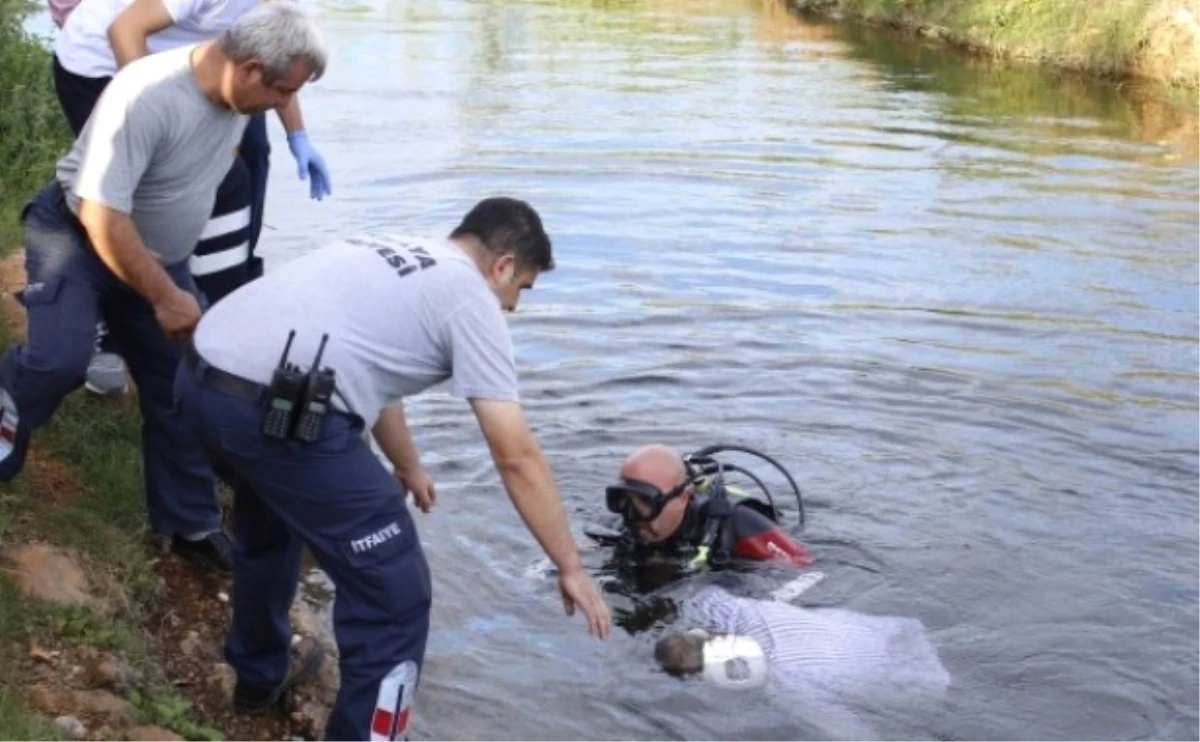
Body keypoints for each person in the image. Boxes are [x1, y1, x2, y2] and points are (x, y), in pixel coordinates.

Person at [173, 196, 614, 739]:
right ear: (502, 266)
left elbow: (372, 371)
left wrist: (408, 465)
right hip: (270, 409)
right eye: (521, 288)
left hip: (199, 381)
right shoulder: (470, 299)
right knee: (397, 596)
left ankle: (257, 676)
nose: (515, 307)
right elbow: (516, 455)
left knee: (270, 520)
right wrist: (568, 564)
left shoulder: (392, 248)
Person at [0, 2, 328, 576]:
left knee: (183, 385)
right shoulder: (146, 95)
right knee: (60, 361)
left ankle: (189, 521)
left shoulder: (237, 94)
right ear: (249, 70)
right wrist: (164, 296)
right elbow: (101, 214)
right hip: (77, 239)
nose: (283, 107)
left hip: (156, 255)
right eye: (281, 93)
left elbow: (203, 179)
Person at [51, 0, 332, 394]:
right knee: (130, 195)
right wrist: (154, 112)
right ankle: (107, 329)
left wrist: (297, 135)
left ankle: (219, 309)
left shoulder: (263, 45)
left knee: (242, 169)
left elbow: (283, 65)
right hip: (103, 61)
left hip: (203, 65)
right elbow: (124, 30)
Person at [655, 585, 951, 741]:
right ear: (716, 633)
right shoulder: (748, 611)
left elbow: (856, 736)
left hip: (926, 679)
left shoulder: (786, 686)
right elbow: (702, 593)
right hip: (899, 630)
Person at [604, 443, 813, 571]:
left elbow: (805, 572)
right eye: (622, 500)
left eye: (645, 502)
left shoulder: (740, 524)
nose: (631, 515)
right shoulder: (631, 524)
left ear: (683, 499)